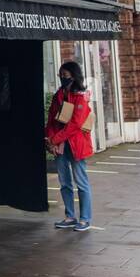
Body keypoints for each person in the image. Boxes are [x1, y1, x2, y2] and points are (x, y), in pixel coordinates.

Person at [46, 61, 94, 231]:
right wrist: (51, 138)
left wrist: (55, 139)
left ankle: (85, 219)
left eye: (65, 75)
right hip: (59, 144)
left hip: (75, 144)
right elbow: (52, 119)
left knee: (81, 182)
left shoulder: (81, 95)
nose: (62, 78)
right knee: (64, 182)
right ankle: (70, 216)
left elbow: (75, 123)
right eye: (60, 75)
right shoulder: (58, 94)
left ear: (73, 76)